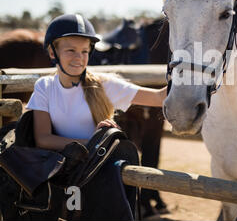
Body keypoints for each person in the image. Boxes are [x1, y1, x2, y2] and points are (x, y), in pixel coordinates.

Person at [26, 14, 167, 151]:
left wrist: (183, 77)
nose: (79, 58)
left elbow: (158, 98)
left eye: (84, 51)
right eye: (71, 50)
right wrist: (95, 143)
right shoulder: (44, 86)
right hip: (63, 167)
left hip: (96, 167)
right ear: (52, 52)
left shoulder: (104, 84)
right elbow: (43, 139)